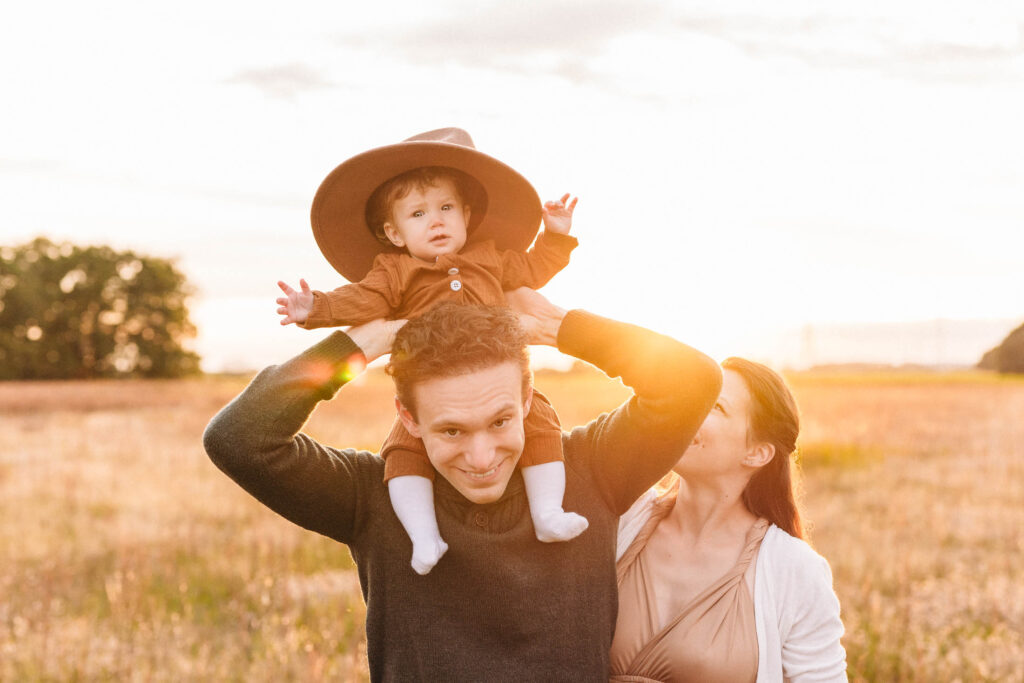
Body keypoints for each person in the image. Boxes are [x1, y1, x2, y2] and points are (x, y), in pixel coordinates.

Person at [204, 290, 722, 680]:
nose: (481, 458)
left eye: (500, 422)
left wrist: (560, 327)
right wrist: (366, 342)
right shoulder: (373, 497)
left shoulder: (592, 470)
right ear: (408, 418)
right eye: (452, 430)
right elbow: (239, 438)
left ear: (526, 401)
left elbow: (691, 380)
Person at [275, 128, 583, 574]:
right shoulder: (394, 271)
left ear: (466, 215)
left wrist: (555, 236)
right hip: (431, 390)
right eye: (418, 214)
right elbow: (362, 300)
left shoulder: (491, 258)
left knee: (540, 427)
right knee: (404, 453)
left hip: (499, 381)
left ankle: (547, 513)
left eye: (446, 209)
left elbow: (534, 268)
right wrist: (315, 308)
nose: (436, 221)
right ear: (394, 233)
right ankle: (424, 537)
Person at [611, 357, 847, 682]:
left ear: (756, 453)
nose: (687, 412)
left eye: (714, 406)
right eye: (691, 399)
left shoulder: (794, 570)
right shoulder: (622, 518)